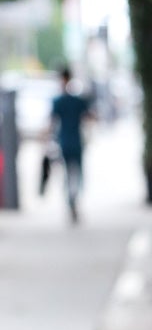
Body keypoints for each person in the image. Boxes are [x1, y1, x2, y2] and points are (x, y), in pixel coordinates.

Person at [49, 67, 90, 222]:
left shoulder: (58, 101)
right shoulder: (78, 100)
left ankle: (70, 201)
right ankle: (74, 200)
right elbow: (89, 117)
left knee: (68, 174)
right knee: (77, 174)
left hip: (65, 142)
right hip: (76, 142)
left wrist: (47, 140)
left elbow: (52, 123)